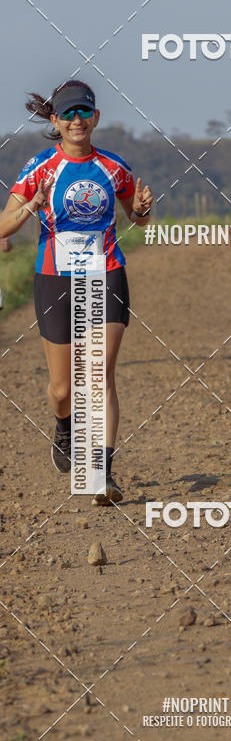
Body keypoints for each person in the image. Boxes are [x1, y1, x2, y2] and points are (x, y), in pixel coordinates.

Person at [0, 79, 153, 505]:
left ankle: (102, 471)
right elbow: (3, 226)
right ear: (55, 121)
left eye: (84, 112)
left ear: (96, 117)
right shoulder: (40, 167)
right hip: (55, 280)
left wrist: (142, 210)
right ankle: (64, 426)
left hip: (106, 273)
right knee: (63, 388)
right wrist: (34, 204)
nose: (77, 120)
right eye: (68, 113)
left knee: (99, 372)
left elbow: (135, 218)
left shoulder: (114, 166)